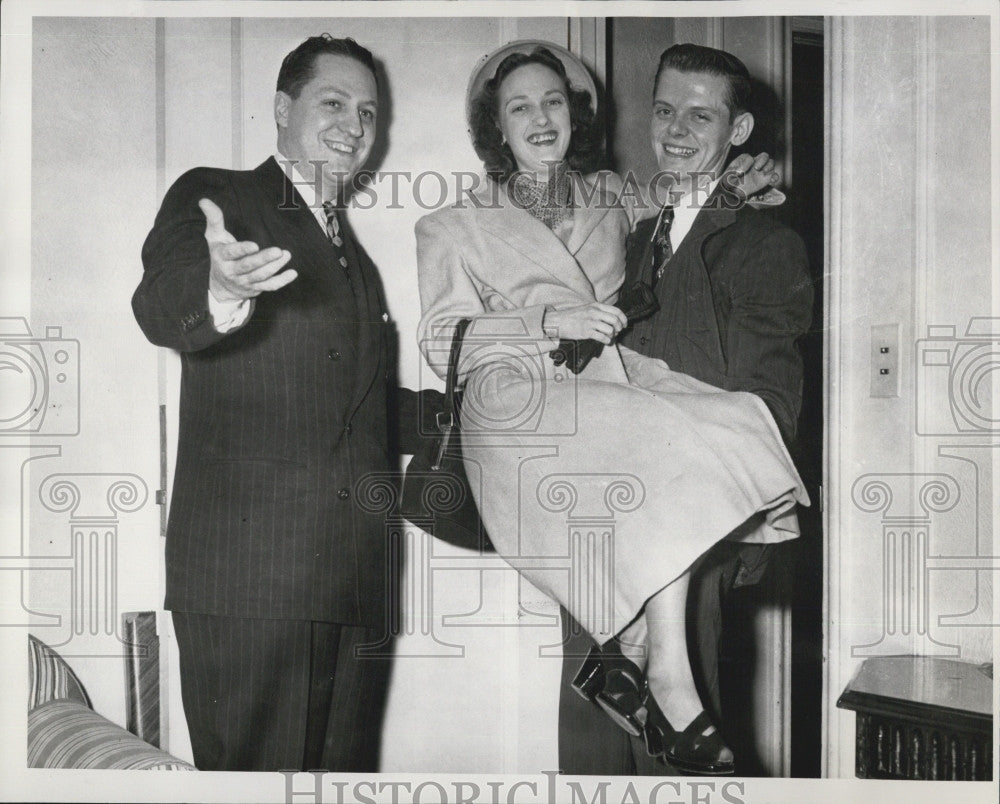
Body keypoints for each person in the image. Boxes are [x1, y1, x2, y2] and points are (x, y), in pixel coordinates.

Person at [415, 40, 809, 776]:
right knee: (661, 447)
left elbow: (691, 205)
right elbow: (441, 341)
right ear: (494, 126)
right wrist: (545, 324)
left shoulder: (613, 197)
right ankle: (654, 668)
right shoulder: (449, 224)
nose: (540, 117)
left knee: (721, 427)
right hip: (519, 412)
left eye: (554, 101)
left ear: (576, 115)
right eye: (519, 106)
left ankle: (637, 658)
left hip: (603, 424)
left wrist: (745, 178)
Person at [132, 34, 394, 772]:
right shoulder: (218, 194)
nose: (353, 126)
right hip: (250, 578)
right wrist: (220, 290)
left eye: (368, 113)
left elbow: (360, 402)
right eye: (333, 103)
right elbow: (160, 303)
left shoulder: (354, 254)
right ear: (282, 110)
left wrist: (485, 405)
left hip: (350, 581)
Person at [558, 43, 815, 776]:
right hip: (596, 536)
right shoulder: (633, 235)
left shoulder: (768, 242)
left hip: (685, 541)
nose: (674, 129)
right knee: (590, 753)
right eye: (665, 110)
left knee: (678, 765)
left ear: (738, 134)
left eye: (700, 115)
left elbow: (770, 402)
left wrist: (736, 535)